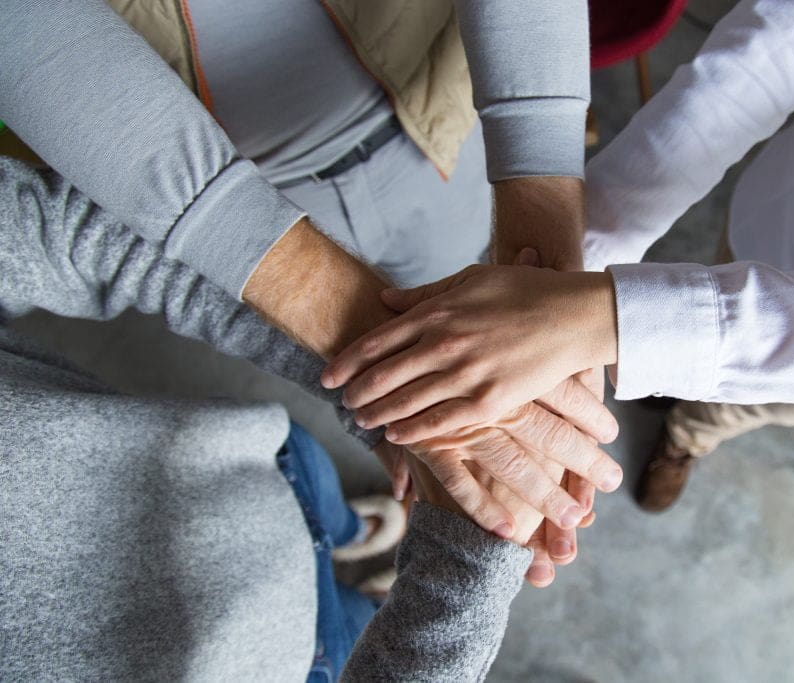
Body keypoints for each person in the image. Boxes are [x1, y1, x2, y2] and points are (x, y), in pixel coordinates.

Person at [320, 0, 794, 512]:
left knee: (743, 405)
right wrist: (585, 255)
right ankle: (653, 377)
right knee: (694, 295)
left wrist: (604, 317)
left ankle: (684, 441)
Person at [0, 0, 622, 573]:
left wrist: (542, 274)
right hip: (230, 190)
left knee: (466, 342)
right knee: (446, 419)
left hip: (440, 133)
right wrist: (396, 380)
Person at [0, 156, 604, 680]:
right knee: (372, 627)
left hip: (257, 468)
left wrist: (386, 385)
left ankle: (352, 531)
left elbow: (73, 231)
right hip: (299, 665)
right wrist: (472, 547)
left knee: (327, 507)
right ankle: (371, 587)